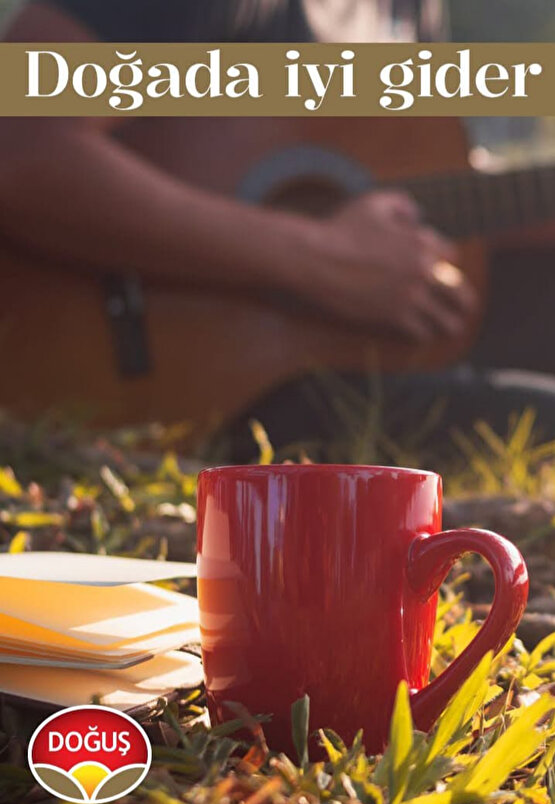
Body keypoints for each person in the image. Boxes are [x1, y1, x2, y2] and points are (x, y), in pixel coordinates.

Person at [1, 0, 555, 463]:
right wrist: (321, 260)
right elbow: (21, 147)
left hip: (340, 361)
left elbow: (418, 166)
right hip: (184, 384)